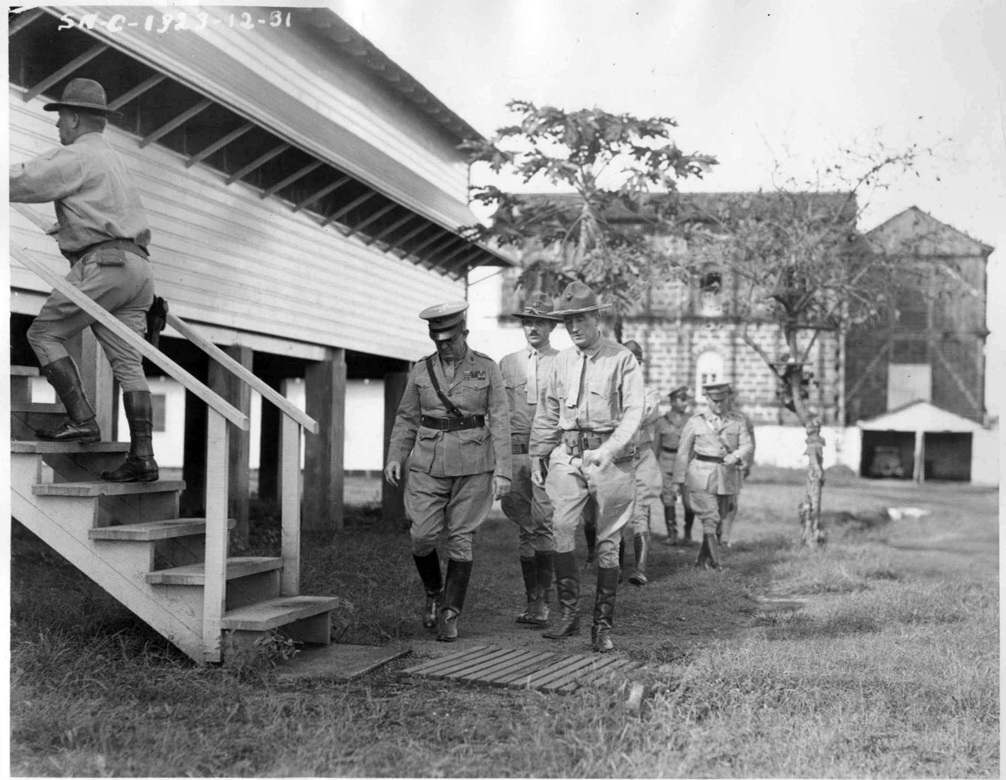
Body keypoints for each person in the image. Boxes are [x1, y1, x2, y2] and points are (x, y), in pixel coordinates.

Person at [10, 78, 158, 482]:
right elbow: (104, 211)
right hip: (138, 269)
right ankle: (143, 458)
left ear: (74, 119)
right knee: (128, 364)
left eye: (60, 118)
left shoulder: (77, 155)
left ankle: (81, 420)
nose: (57, 125)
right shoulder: (113, 160)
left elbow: (22, 180)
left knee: (44, 333)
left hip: (105, 265)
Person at [384, 301, 511, 641]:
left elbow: (500, 420)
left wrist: (504, 471)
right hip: (428, 463)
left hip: (474, 465)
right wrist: (396, 455)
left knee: (461, 538)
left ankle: (450, 613)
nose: (444, 347)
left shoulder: (487, 368)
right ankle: (433, 591)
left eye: (450, 340)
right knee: (422, 536)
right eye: (437, 341)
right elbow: (407, 417)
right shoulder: (421, 370)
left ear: (464, 333)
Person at [530, 281, 643, 653]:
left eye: (580, 319)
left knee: (608, 542)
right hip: (567, 455)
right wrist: (537, 453)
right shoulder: (561, 360)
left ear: (597, 318)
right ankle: (569, 614)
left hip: (610, 460)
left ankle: (602, 626)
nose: (574, 327)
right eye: (568, 321)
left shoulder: (621, 359)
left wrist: (610, 449)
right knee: (561, 528)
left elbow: (634, 413)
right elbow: (548, 411)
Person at [498, 293, 560, 627]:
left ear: (552, 326)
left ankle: (544, 603)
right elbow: (497, 413)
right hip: (515, 454)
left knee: (544, 522)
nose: (533, 328)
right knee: (524, 526)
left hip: (548, 455)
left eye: (540, 322)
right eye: (528, 322)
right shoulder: (507, 363)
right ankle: (531, 600)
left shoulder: (565, 362)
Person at [672, 382, 754, 569]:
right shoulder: (696, 422)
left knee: (719, 519)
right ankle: (717, 565)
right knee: (711, 517)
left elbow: (747, 445)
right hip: (701, 475)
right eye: (715, 400)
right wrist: (677, 480)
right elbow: (683, 453)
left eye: (722, 400)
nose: (719, 404)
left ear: (728, 399)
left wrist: (735, 456)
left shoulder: (737, 421)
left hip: (726, 476)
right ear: (707, 399)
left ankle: (702, 562)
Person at [619, 340, 664, 586]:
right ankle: (613, 567)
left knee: (640, 512)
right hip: (617, 459)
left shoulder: (650, 393)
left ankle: (640, 569)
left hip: (641, 456)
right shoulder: (608, 391)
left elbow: (642, 414)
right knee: (614, 512)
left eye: (635, 361)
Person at [653, 385, 696, 545]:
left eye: (686, 400)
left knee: (689, 501)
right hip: (666, 462)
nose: (685, 403)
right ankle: (672, 534)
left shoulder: (692, 421)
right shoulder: (661, 422)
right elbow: (655, 447)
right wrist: (654, 467)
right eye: (682, 399)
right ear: (672, 401)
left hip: (686, 464)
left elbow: (696, 445)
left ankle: (688, 533)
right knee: (668, 498)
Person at [717, 404, 756, 547]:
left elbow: (750, 442)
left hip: (734, 467)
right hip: (715, 467)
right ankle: (716, 532)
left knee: (731, 502)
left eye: (729, 395)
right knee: (716, 501)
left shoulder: (742, 418)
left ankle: (725, 536)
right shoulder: (709, 416)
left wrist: (748, 462)